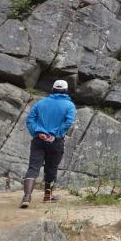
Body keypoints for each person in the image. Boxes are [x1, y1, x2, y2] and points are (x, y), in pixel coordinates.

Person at [21, 80, 76, 208]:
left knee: (33, 167)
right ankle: (47, 196)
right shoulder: (69, 105)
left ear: (52, 89)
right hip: (56, 141)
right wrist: (55, 135)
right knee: (51, 168)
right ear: (66, 90)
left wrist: (38, 132)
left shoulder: (40, 103)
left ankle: (27, 197)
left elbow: (30, 120)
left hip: (39, 140)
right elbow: (68, 122)